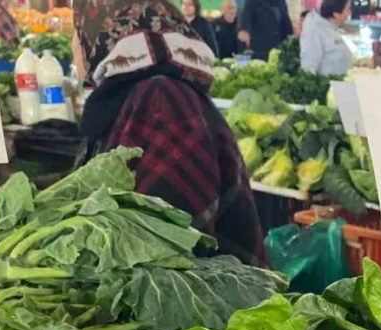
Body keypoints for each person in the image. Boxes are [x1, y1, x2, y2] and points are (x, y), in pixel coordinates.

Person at [72, 0, 265, 265]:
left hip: (209, 303)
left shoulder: (160, 101)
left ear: (99, 31)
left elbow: (163, 254)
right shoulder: (132, 96)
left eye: (75, 31)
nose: (74, 45)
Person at [300, 0, 353, 75]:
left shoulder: (331, 27)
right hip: (328, 85)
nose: (350, 13)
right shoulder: (314, 29)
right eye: (347, 9)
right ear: (336, 14)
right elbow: (309, 66)